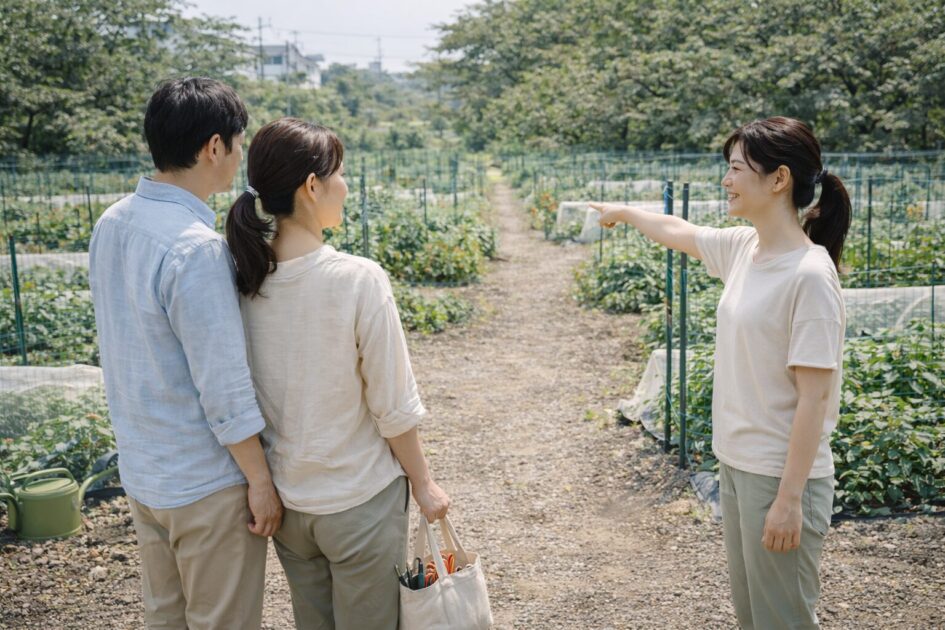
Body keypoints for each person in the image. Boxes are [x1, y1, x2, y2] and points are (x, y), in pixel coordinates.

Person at [593, 116, 851, 629]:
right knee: (754, 617)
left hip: (778, 476)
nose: (726, 181)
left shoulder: (809, 276)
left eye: (736, 169)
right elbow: (681, 231)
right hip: (737, 464)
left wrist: (789, 500)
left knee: (784, 620)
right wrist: (625, 212)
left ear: (779, 180)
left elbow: (814, 399)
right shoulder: (745, 249)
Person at [225, 117, 450, 630]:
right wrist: (425, 483)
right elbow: (392, 407)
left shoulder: (243, 281)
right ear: (311, 186)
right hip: (358, 502)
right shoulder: (357, 279)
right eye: (340, 173)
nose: (345, 186)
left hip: (291, 506)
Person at [89, 77, 282, 630]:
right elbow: (222, 386)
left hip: (146, 473)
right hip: (204, 485)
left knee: (165, 618)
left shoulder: (113, 220)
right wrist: (261, 482)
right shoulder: (194, 247)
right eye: (238, 141)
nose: (239, 155)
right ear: (213, 147)